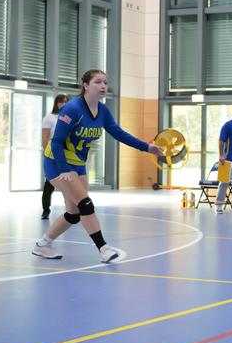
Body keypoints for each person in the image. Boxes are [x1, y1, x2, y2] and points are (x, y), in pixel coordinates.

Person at [33, 69, 163, 263]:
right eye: (97, 82)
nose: (103, 86)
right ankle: (104, 249)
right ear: (85, 85)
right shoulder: (72, 109)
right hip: (57, 163)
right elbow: (58, 141)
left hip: (78, 164)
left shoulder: (102, 111)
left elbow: (119, 133)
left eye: (105, 82)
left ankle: (42, 245)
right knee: (85, 204)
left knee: (74, 213)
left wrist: (147, 147)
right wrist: (65, 169)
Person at [40, 94, 69, 220]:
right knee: (49, 184)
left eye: (66, 102)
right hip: (52, 153)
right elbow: (44, 137)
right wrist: (47, 153)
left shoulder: (68, 118)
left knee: (68, 183)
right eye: (61, 102)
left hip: (66, 153)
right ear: (56, 103)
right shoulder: (49, 118)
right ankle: (46, 210)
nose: (63, 104)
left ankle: (70, 209)